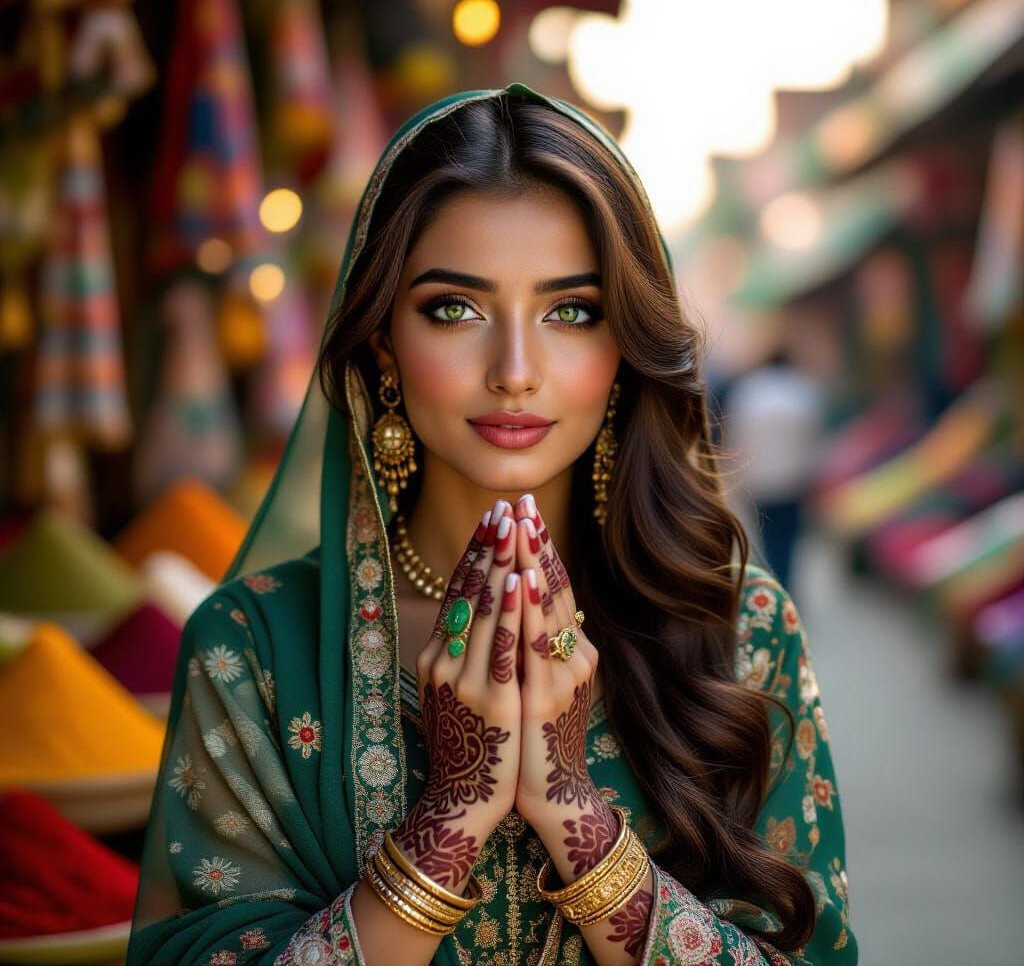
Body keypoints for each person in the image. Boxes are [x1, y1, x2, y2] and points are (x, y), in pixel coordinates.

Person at [126, 83, 856, 966]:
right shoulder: (252, 648)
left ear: (624, 345)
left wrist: (575, 817)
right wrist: (453, 812)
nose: (515, 369)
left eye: (571, 312)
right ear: (384, 339)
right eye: (454, 308)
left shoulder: (739, 629)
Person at [722, 348, 828, 591]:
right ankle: (786, 586)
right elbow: (814, 437)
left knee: (767, 538)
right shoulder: (804, 391)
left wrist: (735, 473)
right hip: (794, 479)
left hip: (759, 479)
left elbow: (738, 435)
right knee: (790, 539)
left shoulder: (750, 391)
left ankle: (773, 586)